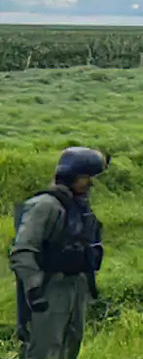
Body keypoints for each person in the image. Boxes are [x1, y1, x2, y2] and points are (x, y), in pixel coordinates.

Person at [10, 146, 108, 359]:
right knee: (44, 350)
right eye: (85, 177)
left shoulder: (80, 206)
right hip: (50, 288)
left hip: (75, 287)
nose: (89, 183)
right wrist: (34, 289)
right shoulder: (45, 206)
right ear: (70, 176)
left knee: (71, 345)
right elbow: (23, 250)